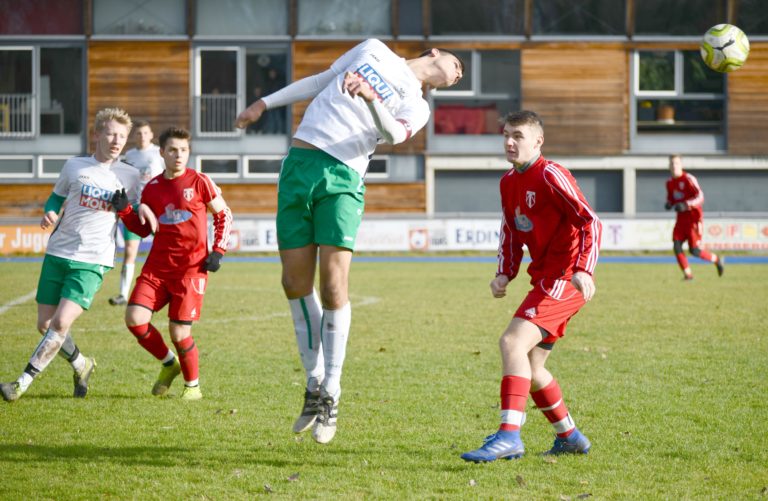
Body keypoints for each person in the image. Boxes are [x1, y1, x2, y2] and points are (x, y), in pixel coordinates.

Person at [235, 39, 464, 444]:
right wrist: (264, 104)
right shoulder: (373, 48)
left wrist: (374, 99)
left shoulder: (419, 104)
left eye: (461, 75)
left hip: (343, 176)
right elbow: (322, 79)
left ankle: (332, 391)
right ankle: (314, 382)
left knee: (334, 285)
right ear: (434, 53)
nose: (459, 72)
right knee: (293, 284)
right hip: (299, 164)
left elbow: (392, 134)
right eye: (457, 62)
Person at [461, 111, 601, 462]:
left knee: (511, 341)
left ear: (538, 141)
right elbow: (511, 229)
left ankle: (509, 434)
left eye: (518, 135)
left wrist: (584, 269)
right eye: (506, 134)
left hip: (563, 278)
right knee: (533, 367)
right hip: (544, 279)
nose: (509, 141)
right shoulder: (508, 182)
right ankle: (569, 436)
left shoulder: (551, 174)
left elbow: (590, 222)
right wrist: (504, 273)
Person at [1, 108, 140, 402]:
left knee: (61, 324)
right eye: (112, 133)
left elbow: (136, 220)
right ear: (97, 134)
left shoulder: (130, 175)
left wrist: (127, 207)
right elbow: (55, 197)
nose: (117, 141)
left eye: (123, 136)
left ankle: (20, 384)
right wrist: (50, 211)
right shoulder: (74, 166)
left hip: (93, 260)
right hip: (58, 252)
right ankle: (82, 364)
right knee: (45, 324)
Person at [112, 127, 232, 401]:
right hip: (156, 268)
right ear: (162, 152)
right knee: (135, 319)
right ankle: (169, 364)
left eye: (184, 150)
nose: (179, 155)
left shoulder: (200, 181)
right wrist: (125, 210)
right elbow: (143, 230)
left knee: (179, 332)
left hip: (190, 270)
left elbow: (224, 214)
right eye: (173, 150)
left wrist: (218, 250)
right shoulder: (152, 188)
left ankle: (193, 387)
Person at [109, 119, 165, 306]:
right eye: (138, 133)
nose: (142, 136)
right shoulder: (129, 156)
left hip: (155, 208)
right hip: (134, 207)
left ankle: (165, 288)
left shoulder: (159, 153)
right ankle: (123, 294)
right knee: (130, 251)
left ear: (151, 135)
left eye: (145, 133)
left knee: (164, 248)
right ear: (134, 137)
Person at [665, 154, 724, 280]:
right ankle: (688, 275)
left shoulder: (688, 179)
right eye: (671, 163)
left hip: (693, 220)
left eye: (676, 163)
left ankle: (716, 260)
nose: (674, 166)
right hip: (681, 221)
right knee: (676, 246)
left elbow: (700, 197)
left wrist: (686, 205)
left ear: (681, 165)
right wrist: (669, 203)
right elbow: (672, 198)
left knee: (694, 251)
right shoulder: (669, 183)